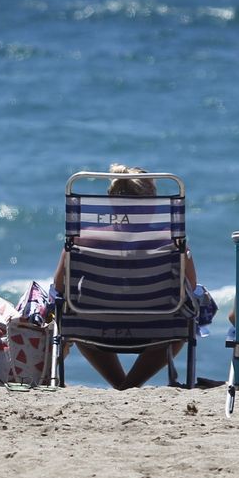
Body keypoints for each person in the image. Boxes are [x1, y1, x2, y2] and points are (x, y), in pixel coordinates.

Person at [54, 164, 198, 390]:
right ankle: (130, 385)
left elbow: (59, 286)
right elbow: (191, 286)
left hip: (92, 329)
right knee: (180, 322)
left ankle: (121, 385)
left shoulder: (82, 240)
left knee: (75, 317)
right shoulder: (172, 244)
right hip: (156, 330)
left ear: (111, 201)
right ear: (152, 202)